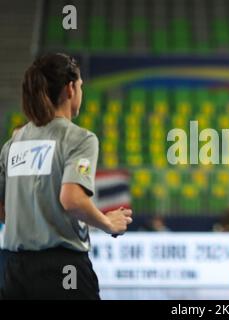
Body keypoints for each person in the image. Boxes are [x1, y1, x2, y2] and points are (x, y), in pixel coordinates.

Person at [0, 53, 133, 299]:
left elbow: (3, 207)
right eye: (81, 86)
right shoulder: (79, 139)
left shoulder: (13, 144)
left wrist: (31, 224)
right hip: (63, 270)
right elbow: (72, 200)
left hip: (13, 270)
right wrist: (107, 223)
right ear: (70, 88)